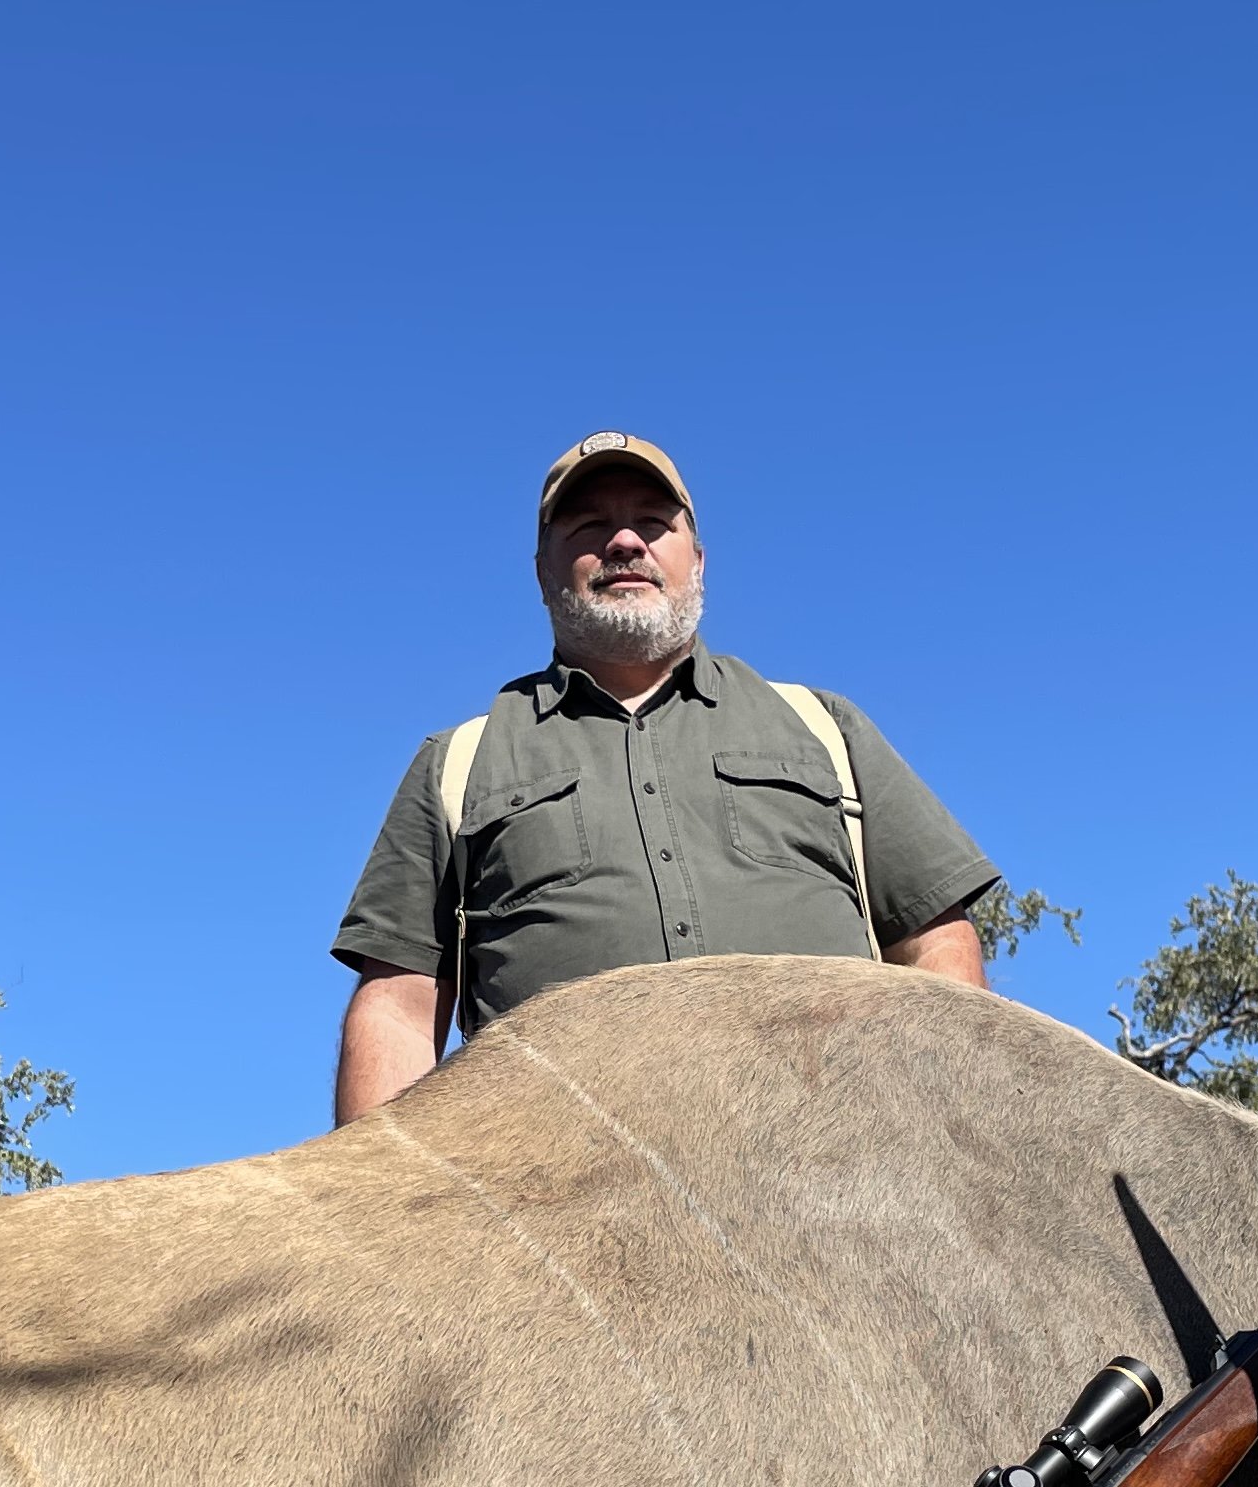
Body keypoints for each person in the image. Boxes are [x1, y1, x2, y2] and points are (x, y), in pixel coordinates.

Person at [330, 430, 1001, 1123]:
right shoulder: (458, 764)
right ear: (540, 573)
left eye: (652, 523)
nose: (624, 542)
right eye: (590, 526)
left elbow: (935, 944)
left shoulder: (824, 727)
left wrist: (952, 1132)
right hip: (559, 1205)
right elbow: (400, 1008)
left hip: (845, 1183)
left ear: (699, 561)